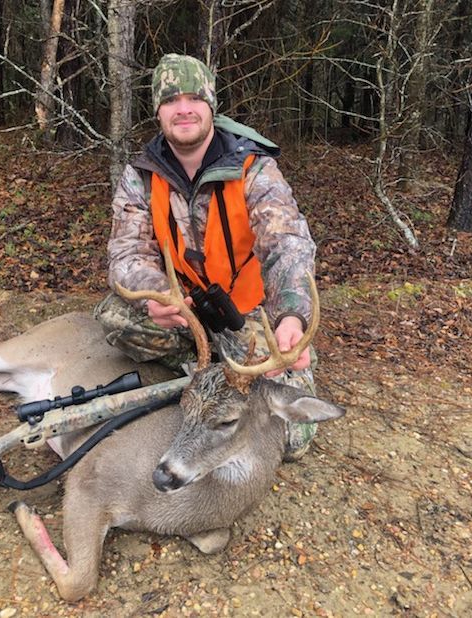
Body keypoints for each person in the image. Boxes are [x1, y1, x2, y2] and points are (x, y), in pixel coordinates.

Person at [94, 53, 317, 461]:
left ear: (211, 105)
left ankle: (228, 366)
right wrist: (156, 294)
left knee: (291, 439)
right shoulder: (140, 175)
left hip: (247, 313)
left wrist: (291, 316)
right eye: (170, 100)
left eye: (194, 98)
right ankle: (207, 367)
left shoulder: (253, 168)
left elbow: (287, 243)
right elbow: (127, 252)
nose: (183, 109)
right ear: (158, 111)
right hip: (187, 310)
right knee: (115, 317)